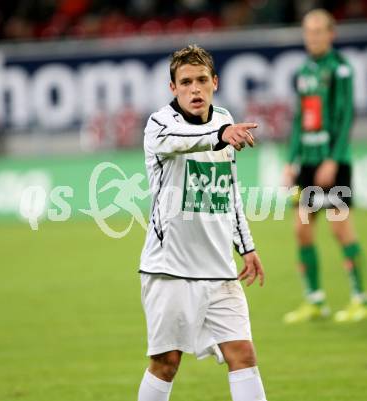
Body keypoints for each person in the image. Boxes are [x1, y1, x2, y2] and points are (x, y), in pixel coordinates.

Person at [138, 44, 267, 401]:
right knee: (166, 362)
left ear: (215, 82)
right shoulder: (160, 124)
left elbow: (230, 190)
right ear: (173, 89)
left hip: (218, 268)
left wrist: (247, 246)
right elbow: (178, 143)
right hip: (170, 268)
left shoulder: (226, 122)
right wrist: (219, 134)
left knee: (242, 354)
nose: (194, 89)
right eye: (185, 82)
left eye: (201, 80)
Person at [282, 9, 367, 324]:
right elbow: (298, 119)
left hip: (333, 162)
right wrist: (290, 161)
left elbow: (346, 115)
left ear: (331, 34)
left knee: (340, 227)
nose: (314, 37)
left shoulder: (341, 69)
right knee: (302, 230)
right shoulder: (304, 71)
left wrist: (333, 158)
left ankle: (361, 299)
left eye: (319, 31)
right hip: (307, 163)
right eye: (309, 31)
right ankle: (315, 301)